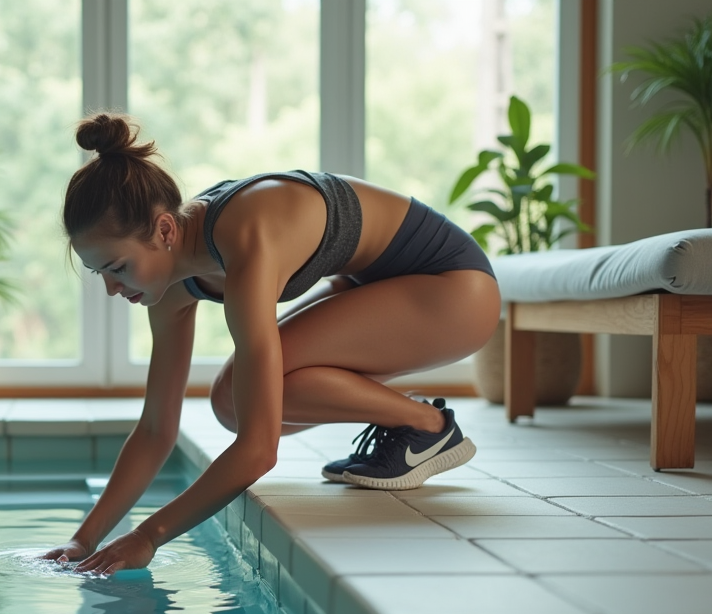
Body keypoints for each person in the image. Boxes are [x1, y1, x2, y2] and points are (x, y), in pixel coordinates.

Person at [43, 113, 500, 576]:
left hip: (457, 290)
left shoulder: (246, 234)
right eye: (99, 272)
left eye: (117, 267)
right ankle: (417, 428)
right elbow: (157, 429)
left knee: (258, 398)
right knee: (230, 403)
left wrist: (148, 536)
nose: (110, 289)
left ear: (164, 231)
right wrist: (85, 538)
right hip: (382, 285)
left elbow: (259, 449)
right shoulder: (170, 283)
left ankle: (428, 426)